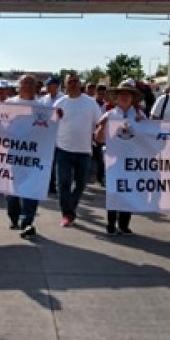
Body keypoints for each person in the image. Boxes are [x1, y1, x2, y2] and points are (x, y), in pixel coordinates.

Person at [95, 79, 146, 235]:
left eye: (128, 95)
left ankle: (124, 224)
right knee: (113, 191)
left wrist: (143, 124)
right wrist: (102, 126)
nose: (125, 97)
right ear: (116, 98)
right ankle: (111, 223)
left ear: (132, 98)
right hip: (113, 160)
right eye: (122, 94)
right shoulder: (109, 115)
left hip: (132, 159)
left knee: (129, 190)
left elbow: (148, 137)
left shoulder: (139, 115)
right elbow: (98, 139)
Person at [54, 73, 102, 227]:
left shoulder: (90, 103)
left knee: (81, 184)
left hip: (84, 150)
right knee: (63, 183)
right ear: (65, 84)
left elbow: (99, 123)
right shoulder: (59, 103)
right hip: (63, 149)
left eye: (76, 81)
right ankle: (67, 214)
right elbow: (49, 124)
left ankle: (71, 208)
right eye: (70, 82)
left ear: (80, 83)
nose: (73, 84)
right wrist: (56, 117)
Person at [5, 74, 42, 239]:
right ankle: (15, 216)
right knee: (12, 189)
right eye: (24, 82)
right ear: (18, 86)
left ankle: (27, 222)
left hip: (34, 154)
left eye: (31, 83)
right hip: (13, 152)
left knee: (31, 188)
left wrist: (58, 117)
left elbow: (49, 128)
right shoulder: (9, 104)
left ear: (36, 87)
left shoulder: (43, 107)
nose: (27, 85)